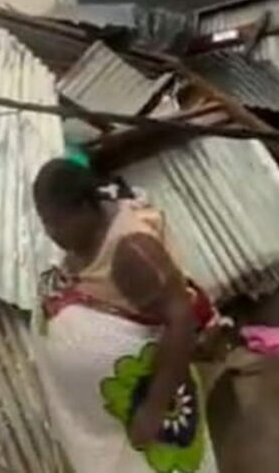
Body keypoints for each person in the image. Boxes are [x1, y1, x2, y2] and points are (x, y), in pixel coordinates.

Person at [31, 158, 219, 473]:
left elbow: (181, 319)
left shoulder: (133, 252)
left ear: (85, 208)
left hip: (150, 398)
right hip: (109, 413)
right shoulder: (83, 237)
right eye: (45, 222)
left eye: (57, 223)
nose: (51, 233)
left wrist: (155, 407)